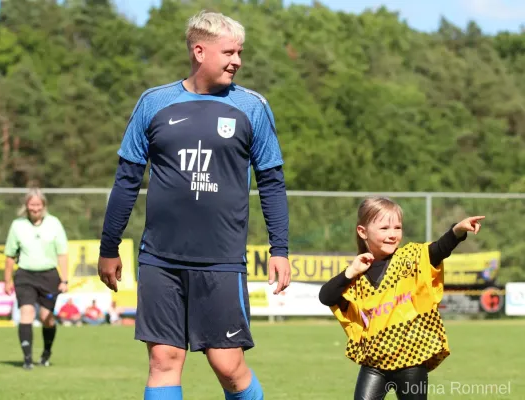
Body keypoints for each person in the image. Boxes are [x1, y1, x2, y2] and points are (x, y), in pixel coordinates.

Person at [97, 10, 291, 400]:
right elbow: (127, 179)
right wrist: (109, 246)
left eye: (240, 52)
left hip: (221, 260)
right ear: (199, 51)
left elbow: (271, 182)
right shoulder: (154, 103)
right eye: (229, 52)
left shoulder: (252, 107)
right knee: (164, 359)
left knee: (227, 365)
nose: (237, 60)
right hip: (160, 259)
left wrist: (280, 248)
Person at [319, 197, 485, 400]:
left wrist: (458, 230)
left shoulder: (411, 259)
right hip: (374, 364)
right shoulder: (357, 275)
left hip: (411, 361)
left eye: (397, 227)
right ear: (363, 232)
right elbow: (326, 296)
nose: (392, 234)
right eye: (384, 228)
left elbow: (439, 249)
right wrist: (351, 271)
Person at [4, 188, 69, 370]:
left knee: (46, 318)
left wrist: (64, 280)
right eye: (32, 205)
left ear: (44, 206)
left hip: (49, 276)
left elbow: (62, 253)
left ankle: (46, 352)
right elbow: (9, 256)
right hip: (25, 274)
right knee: (27, 312)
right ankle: (27, 359)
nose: (35, 208)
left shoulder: (54, 224)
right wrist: (7, 280)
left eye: (38, 205)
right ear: (26, 206)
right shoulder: (17, 225)